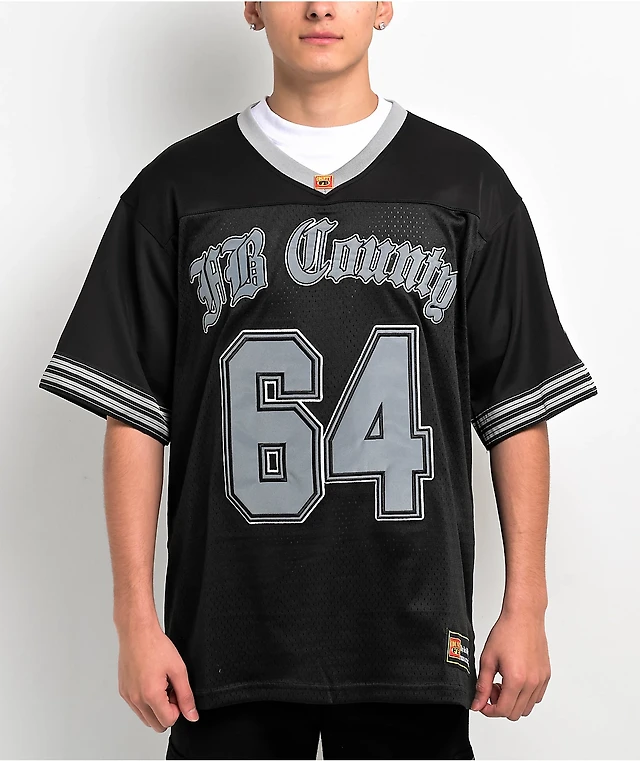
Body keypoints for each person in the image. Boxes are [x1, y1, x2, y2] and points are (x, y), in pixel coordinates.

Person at [38, 1, 598, 759]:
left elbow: (516, 409)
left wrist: (526, 607)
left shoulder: (464, 185)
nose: (320, 6)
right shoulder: (177, 190)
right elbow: (135, 415)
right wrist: (133, 620)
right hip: (227, 645)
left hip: (413, 637)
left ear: (383, 7)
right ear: (252, 8)